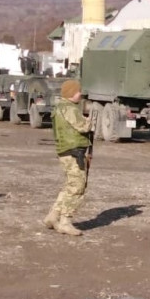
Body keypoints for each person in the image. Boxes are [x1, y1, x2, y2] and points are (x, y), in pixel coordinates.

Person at [44, 79, 92, 237]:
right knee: (77, 186)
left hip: (67, 150)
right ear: (71, 93)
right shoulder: (69, 108)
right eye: (78, 91)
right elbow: (82, 126)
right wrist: (90, 121)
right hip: (73, 151)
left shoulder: (61, 107)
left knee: (69, 185)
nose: (80, 94)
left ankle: (53, 215)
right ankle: (65, 221)